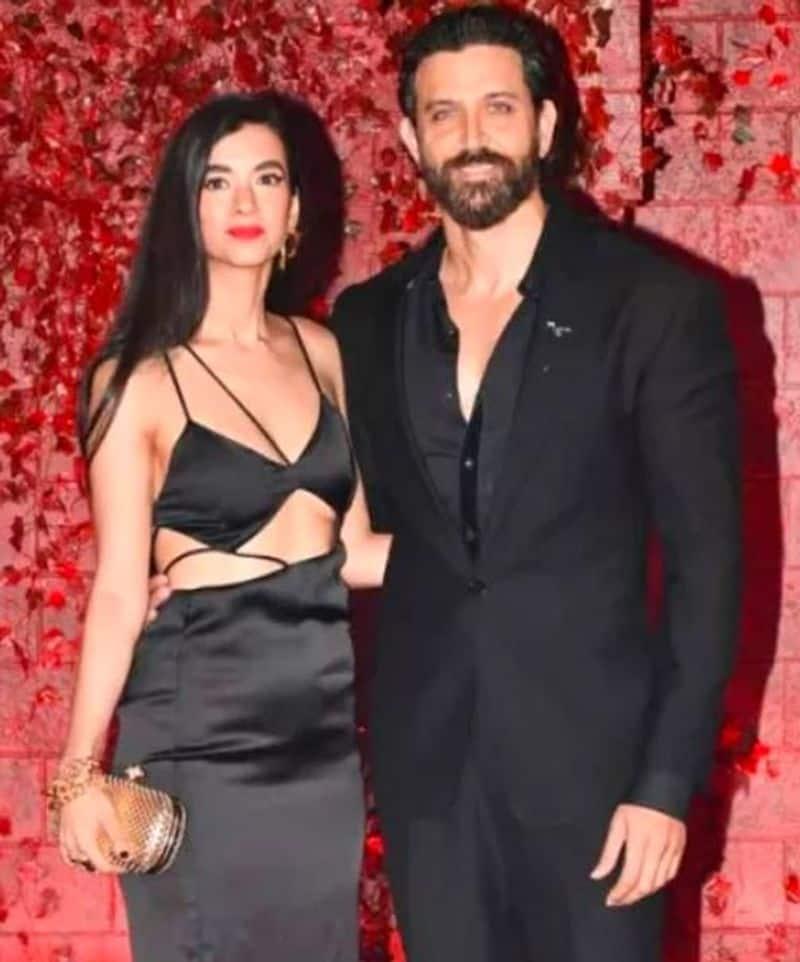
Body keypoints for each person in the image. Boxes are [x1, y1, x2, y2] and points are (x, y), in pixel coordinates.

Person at [330, 6, 740, 962]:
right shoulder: (365, 321)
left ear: (545, 126)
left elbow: (709, 565)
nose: (472, 136)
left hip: (602, 782)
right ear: (411, 139)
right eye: (445, 114)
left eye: (499, 108)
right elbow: (348, 533)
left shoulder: (652, 304)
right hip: (432, 783)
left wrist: (665, 782)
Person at [50, 92, 389, 962]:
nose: (244, 202)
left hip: (319, 737)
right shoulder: (136, 380)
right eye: (217, 181)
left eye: (266, 179)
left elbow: (355, 552)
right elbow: (119, 589)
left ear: (295, 209)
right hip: (198, 732)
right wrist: (78, 771)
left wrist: (512, 541)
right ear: (185, 206)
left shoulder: (322, 352)